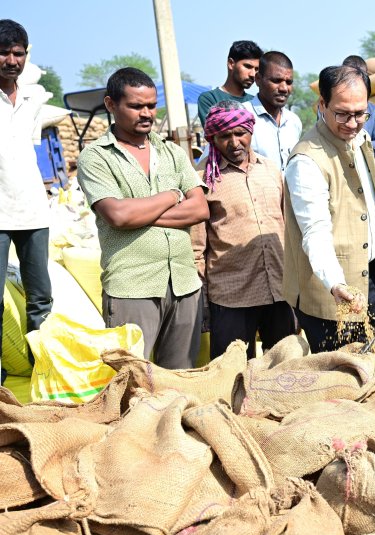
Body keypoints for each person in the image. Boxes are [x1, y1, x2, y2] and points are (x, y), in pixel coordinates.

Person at [78, 68, 209, 369]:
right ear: (111, 105)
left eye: (151, 105)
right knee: (131, 381)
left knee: (178, 381)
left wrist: (143, 215)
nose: (147, 113)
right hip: (131, 286)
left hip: (183, 284)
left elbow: (200, 209)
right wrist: (171, 196)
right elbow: (118, 215)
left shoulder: (172, 152)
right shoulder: (97, 156)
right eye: (136, 106)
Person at [284, 65, 375, 353]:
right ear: (322, 105)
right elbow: (314, 230)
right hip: (331, 294)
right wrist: (335, 283)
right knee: (341, 383)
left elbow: (371, 202)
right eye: (342, 113)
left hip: (370, 280)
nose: (353, 123)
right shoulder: (307, 160)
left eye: (360, 113)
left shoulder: (362, 139)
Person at [191, 102, 297, 360]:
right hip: (232, 295)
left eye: (240, 133)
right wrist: (203, 303)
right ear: (212, 138)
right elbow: (196, 247)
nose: (234, 142)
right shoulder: (202, 178)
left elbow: (289, 227)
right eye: (225, 136)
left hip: (280, 288)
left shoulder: (271, 169)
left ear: (251, 131)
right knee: (233, 372)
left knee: (285, 367)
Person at [0, 19, 52, 384]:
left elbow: (28, 151)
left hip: (33, 210)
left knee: (41, 300)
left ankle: (44, 372)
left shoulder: (34, 98)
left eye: (18, 53)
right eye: (3, 52)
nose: (11, 60)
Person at [241, 51, 303, 171]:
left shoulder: (294, 121)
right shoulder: (240, 115)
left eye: (289, 82)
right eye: (276, 81)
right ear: (258, 79)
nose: (284, 88)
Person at [197, 41, 262, 126]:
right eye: (247, 66)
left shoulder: (256, 102)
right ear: (231, 64)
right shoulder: (210, 99)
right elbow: (217, 135)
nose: (253, 74)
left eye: (256, 69)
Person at [342, 55, 375, 162]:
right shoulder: (329, 108)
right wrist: (366, 148)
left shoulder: (373, 111)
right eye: (348, 77)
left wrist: (352, 143)